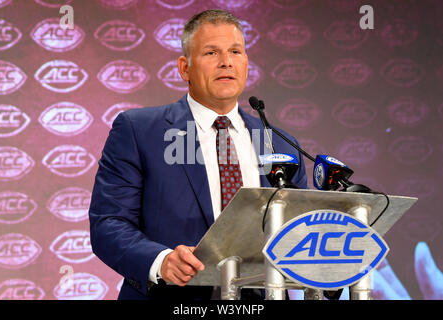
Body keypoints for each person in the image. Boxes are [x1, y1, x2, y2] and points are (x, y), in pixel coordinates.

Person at [89, 9, 307, 300]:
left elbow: (302, 232)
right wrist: (161, 261)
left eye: (235, 51)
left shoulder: (281, 145)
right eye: (211, 53)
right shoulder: (139, 131)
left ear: (246, 63)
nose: (226, 61)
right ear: (184, 68)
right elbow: (109, 223)